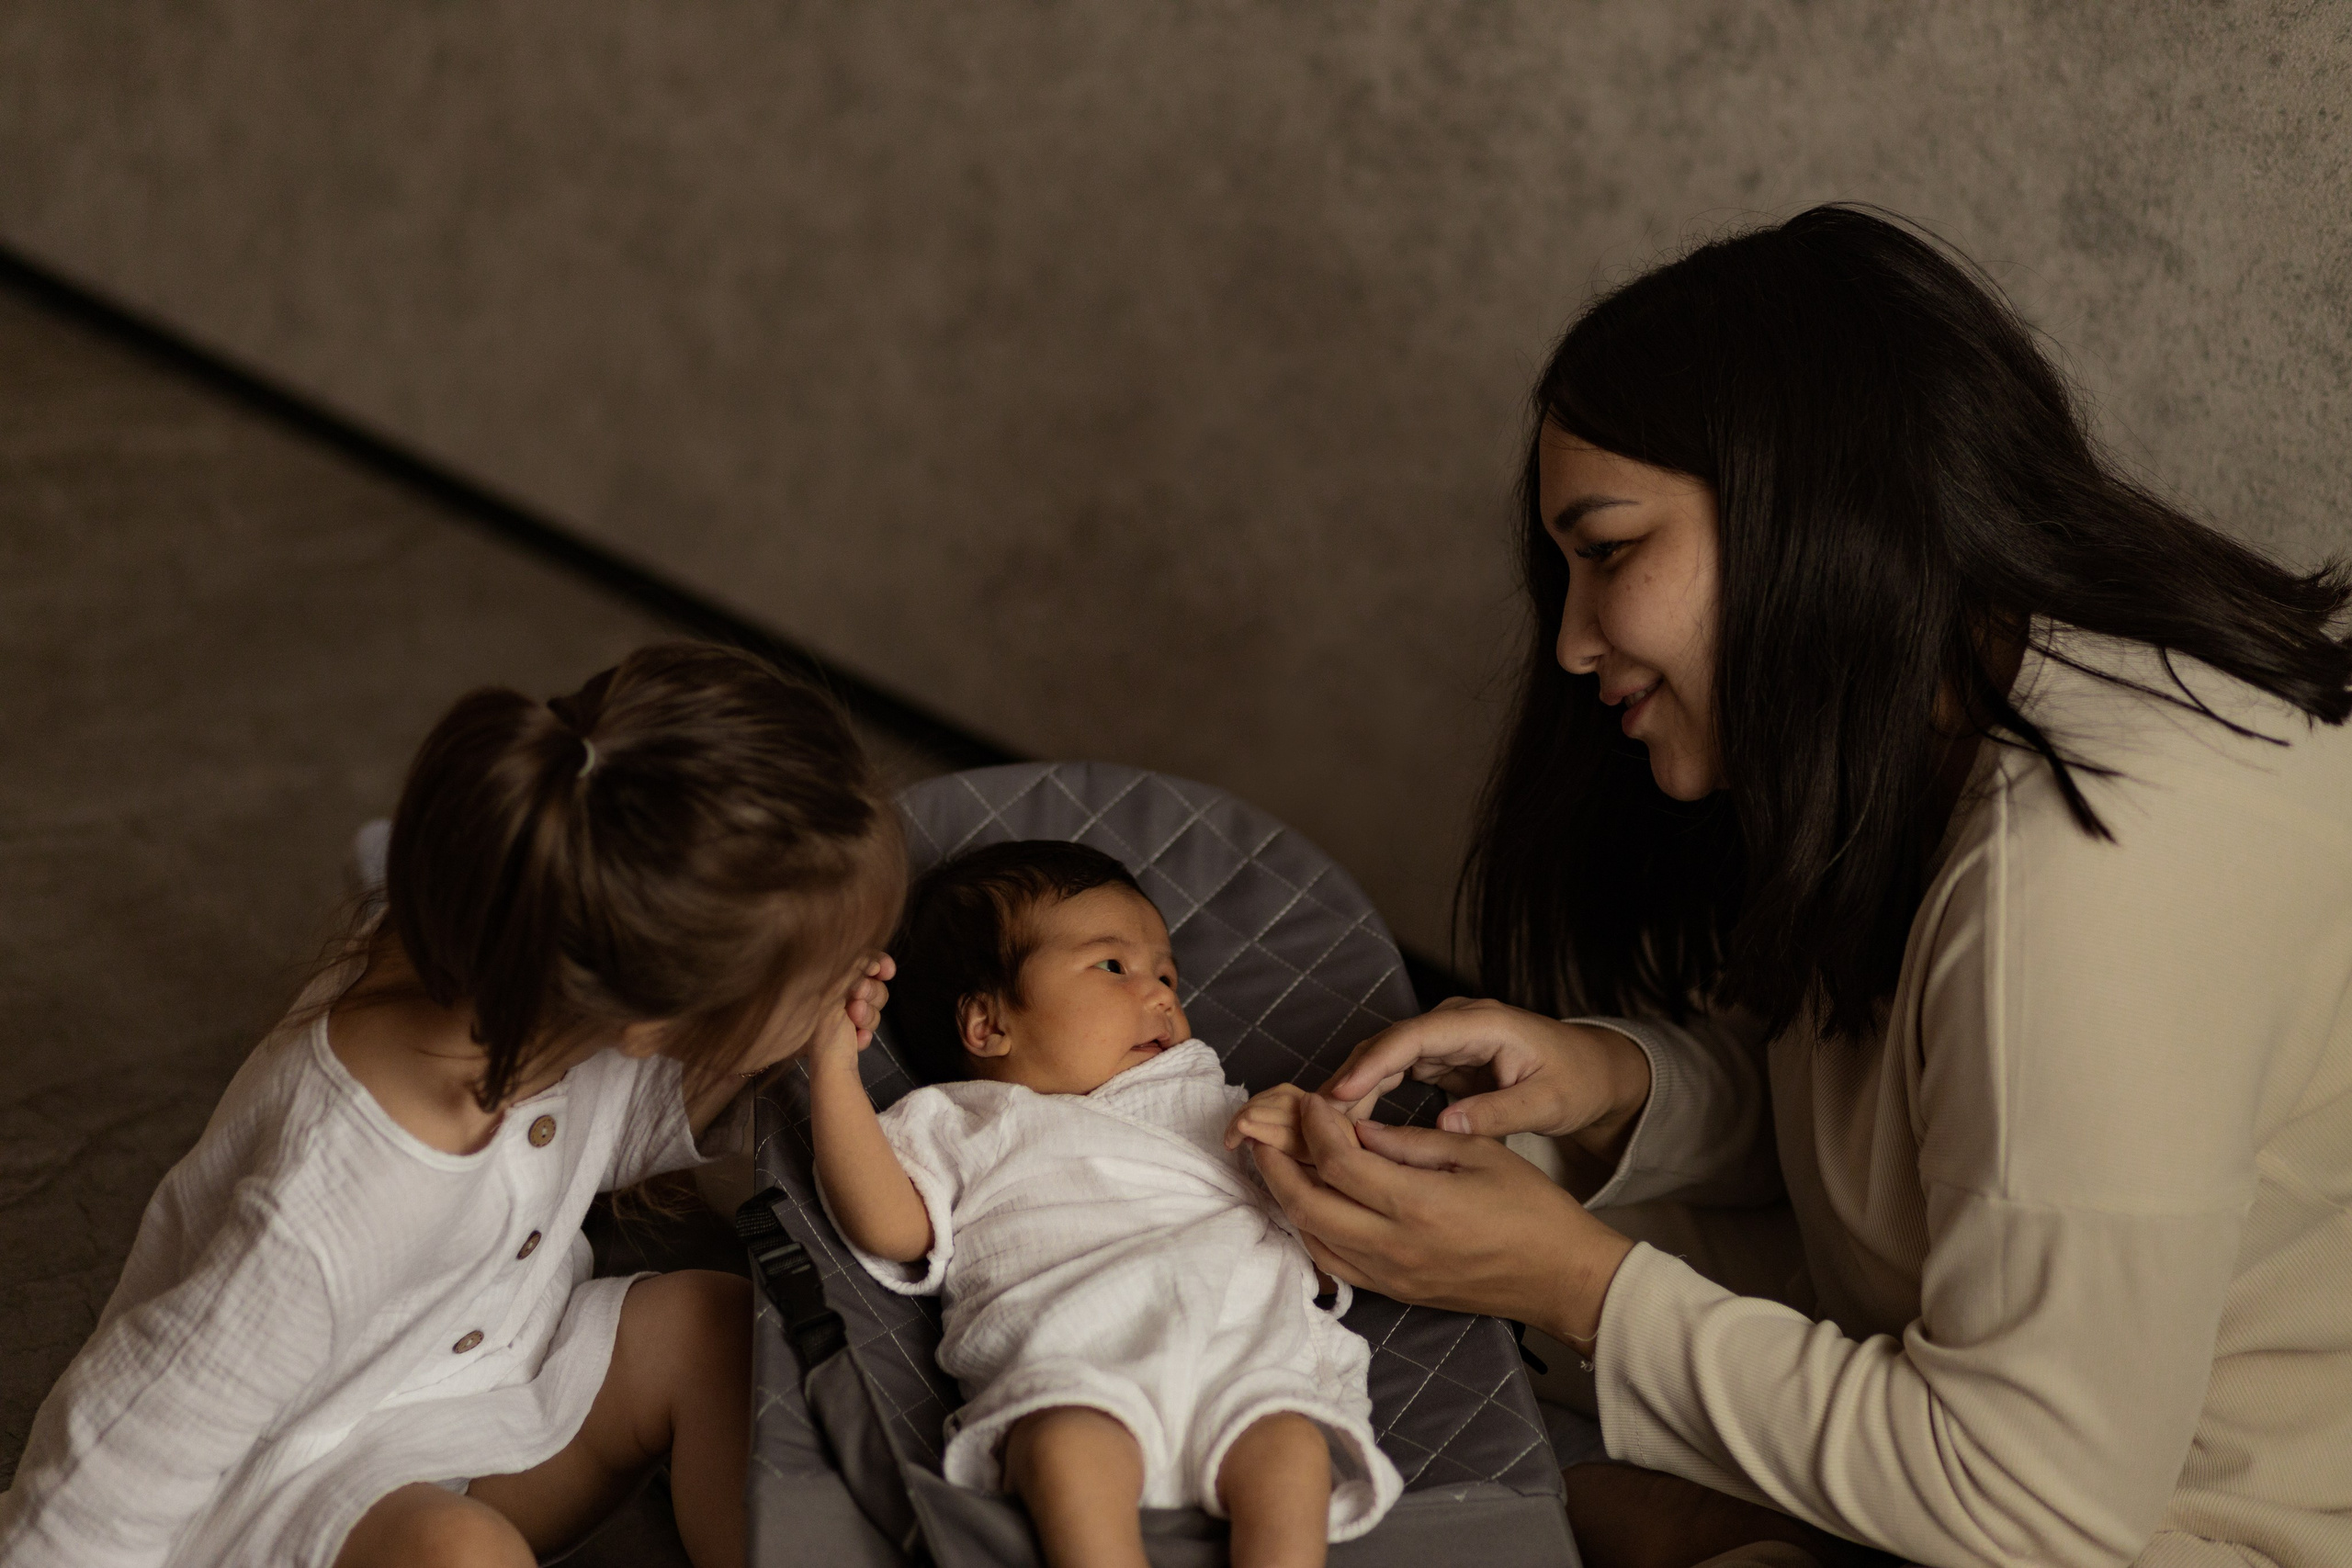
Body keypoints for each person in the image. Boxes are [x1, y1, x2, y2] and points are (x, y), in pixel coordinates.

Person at [1250, 207, 2352, 1568]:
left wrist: (1577, 1285)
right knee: (1454, 1253)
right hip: (2017, 1437)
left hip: (2179, 1522)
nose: (1578, 642)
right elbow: (1924, 1136)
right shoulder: (1948, 725)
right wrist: (1609, 1087)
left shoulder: (2095, 866)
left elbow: (2039, 1500)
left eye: (1608, 551)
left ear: (1811, 504)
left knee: (1506, 1389)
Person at [0, 642, 904, 1568]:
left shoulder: (535, 982)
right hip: (281, 1507)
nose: (853, 989)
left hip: (473, 1397)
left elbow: (608, 1129)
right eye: (814, 987)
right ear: (653, 1017)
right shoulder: (329, 1208)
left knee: (715, 1329)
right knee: (462, 1553)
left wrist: (804, 1040)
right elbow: (107, 1481)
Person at [809, 840, 1403, 1568]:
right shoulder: (963, 1121)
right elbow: (891, 1226)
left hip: (1243, 1345)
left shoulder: (1210, 1100)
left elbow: (1319, 1227)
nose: (1159, 994)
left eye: (1167, 976)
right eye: (1113, 966)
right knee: (1065, 1450)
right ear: (988, 1024)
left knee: (1290, 1458)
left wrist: (1301, 1145)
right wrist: (833, 1069)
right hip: (1074, 1353)